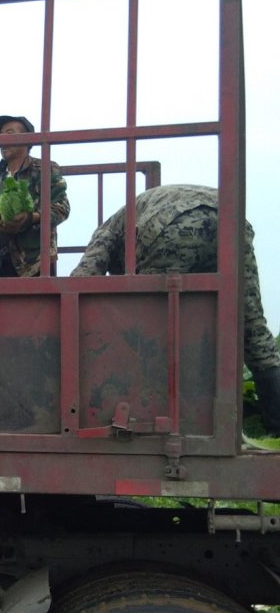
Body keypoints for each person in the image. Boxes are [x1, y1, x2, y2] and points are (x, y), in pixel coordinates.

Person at [71, 183, 280, 434]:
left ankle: (162, 423)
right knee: (251, 325)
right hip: (231, 219)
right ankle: (275, 425)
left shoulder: (107, 230)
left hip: (172, 224)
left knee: (148, 335)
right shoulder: (135, 210)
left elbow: (83, 278)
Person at [0, 115, 70, 277]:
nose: (2, 139)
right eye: (0, 134)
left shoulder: (45, 169)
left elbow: (62, 208)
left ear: (26, 139)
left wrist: (31, 217)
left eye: (9, 133)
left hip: (36, 262)